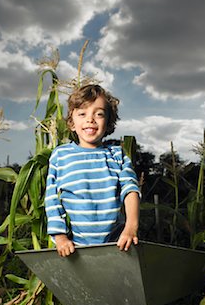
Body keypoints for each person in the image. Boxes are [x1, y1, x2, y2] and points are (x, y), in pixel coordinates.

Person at [45, 84, 140, 257]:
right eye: (82, 114)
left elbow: (131, 190)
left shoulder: (117, 155)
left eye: (99, 114)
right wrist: (60, 237)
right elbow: (52, 199)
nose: (90, 119)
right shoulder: (61, 155)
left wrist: (131, 227)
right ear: (72, 123)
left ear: (109, 123)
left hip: (118, 244)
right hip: (76, 246)